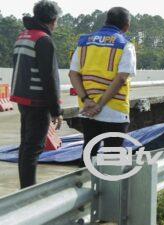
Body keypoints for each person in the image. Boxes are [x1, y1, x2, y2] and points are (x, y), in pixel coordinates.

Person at [68, 7, 136, 166]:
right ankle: (108, 190)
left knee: (88, 153)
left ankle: (81, 187)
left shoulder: (84, 42)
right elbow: (120, 79)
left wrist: (87, 100)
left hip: (88, 109)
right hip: (114, 111)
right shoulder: (126, 45)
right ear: (126, 26)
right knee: (113, 158)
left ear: (106, 21)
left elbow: (73, 74)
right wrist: (100, 105)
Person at [10, 0, 63, 188]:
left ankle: (26, 186)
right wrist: (56, 109)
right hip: (37, 101)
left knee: (26, 146)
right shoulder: (43, 40)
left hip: (22, 98)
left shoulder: (24, 35)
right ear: (53, 20)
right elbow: (49, 78)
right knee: (33, 148)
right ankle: (28, 190)